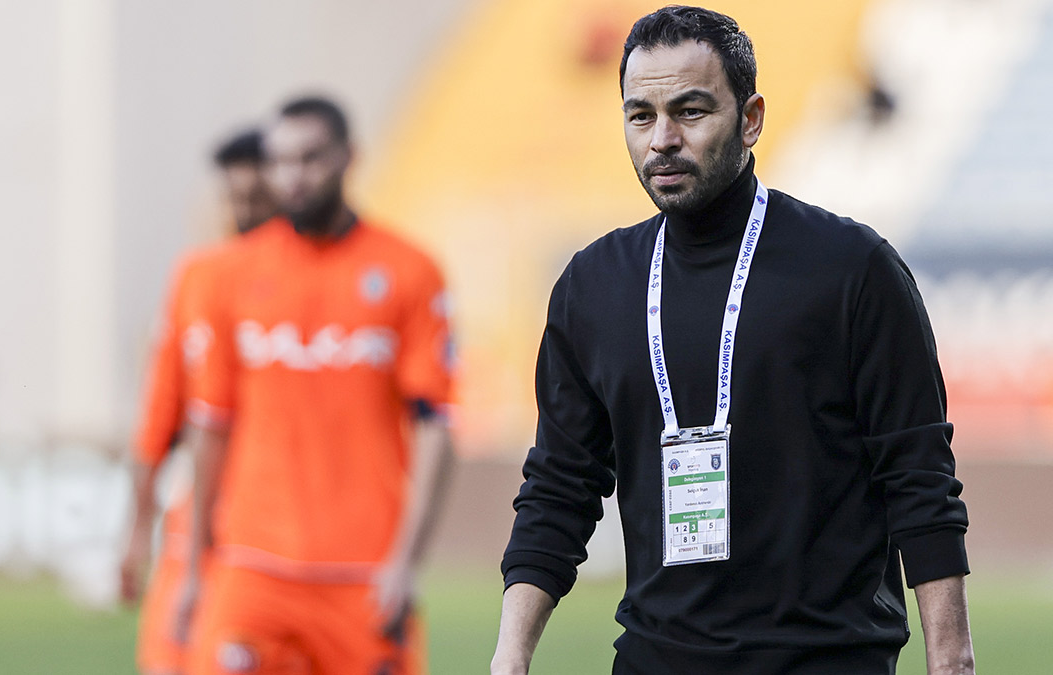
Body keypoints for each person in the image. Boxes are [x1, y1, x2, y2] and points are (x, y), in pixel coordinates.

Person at [492, 7, 974, 675]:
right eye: (641, 116)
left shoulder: (852, 269)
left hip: (826, 661)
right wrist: (510, 653)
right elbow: (559, 486)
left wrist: (951, 658)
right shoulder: (592, 286)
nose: (663, 139)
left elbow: (918, 475)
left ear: (750, 119)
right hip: (655, 661)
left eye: (690, 112)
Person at [179, 96, 455, 675]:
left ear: (349, 157)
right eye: (282, 161)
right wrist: (194, 568)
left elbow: (434, 426)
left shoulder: (409, 271)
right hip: (252, 565)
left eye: (310, 159)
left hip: (365, 572)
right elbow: (210, 424)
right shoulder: (230, 275)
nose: (294, 176)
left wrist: (406, 561)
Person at [121, 128, 276, 675]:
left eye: (257, 199)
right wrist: (136, 528)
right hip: (199, 524)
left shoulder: (314, 281)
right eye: (236, 199)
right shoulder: (197, 276)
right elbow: (160, 412)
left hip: (276, 531)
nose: (245, 213)